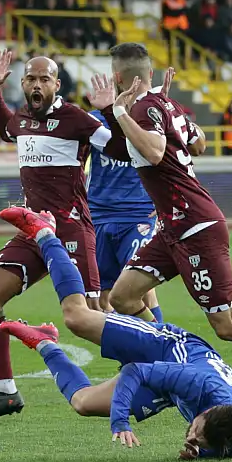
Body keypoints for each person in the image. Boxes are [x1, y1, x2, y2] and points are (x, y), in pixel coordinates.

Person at [0, 206, 232, 459]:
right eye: (196, 431)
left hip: (169, 387)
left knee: (83, 403)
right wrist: (120, 422)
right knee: (77, 317)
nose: (190, 436)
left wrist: (200, 450)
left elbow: (225, 444)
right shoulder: (193, 381)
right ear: (208, 412)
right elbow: (136, 372)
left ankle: (45, 342)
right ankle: (45, 232)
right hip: (170, 349)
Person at [0, 50, 130, 423]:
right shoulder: (22, 119)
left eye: (44, 79)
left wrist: (108, 111)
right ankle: (6, 392)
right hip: (33, 231)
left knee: (90, 317)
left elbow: (122, 148)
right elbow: (8, 129)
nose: (37, 84)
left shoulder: (75, 118)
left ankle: (152, 367)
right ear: (22, 84)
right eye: (31, 79)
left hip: (70, 230)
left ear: (57, 85)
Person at [101, 42, 232, 366]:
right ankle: (172, 359)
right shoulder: (166, 105)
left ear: (117, 78)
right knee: (122, 297)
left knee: (228, 326)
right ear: (149, 73)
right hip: (173, 227)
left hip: (195, 224)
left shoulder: (138, 110)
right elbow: (200, 144)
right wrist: (164, 109)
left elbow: (153, 152)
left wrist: (119, 113)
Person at [87, 107, 163, 321]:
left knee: (140, 287)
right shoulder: (93, 120)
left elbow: (166, 155)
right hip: (99, 214)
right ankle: (133, 349)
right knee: (104, 299)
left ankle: (163, 345)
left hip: (139, 215)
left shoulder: (147, 116)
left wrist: (165, 196)